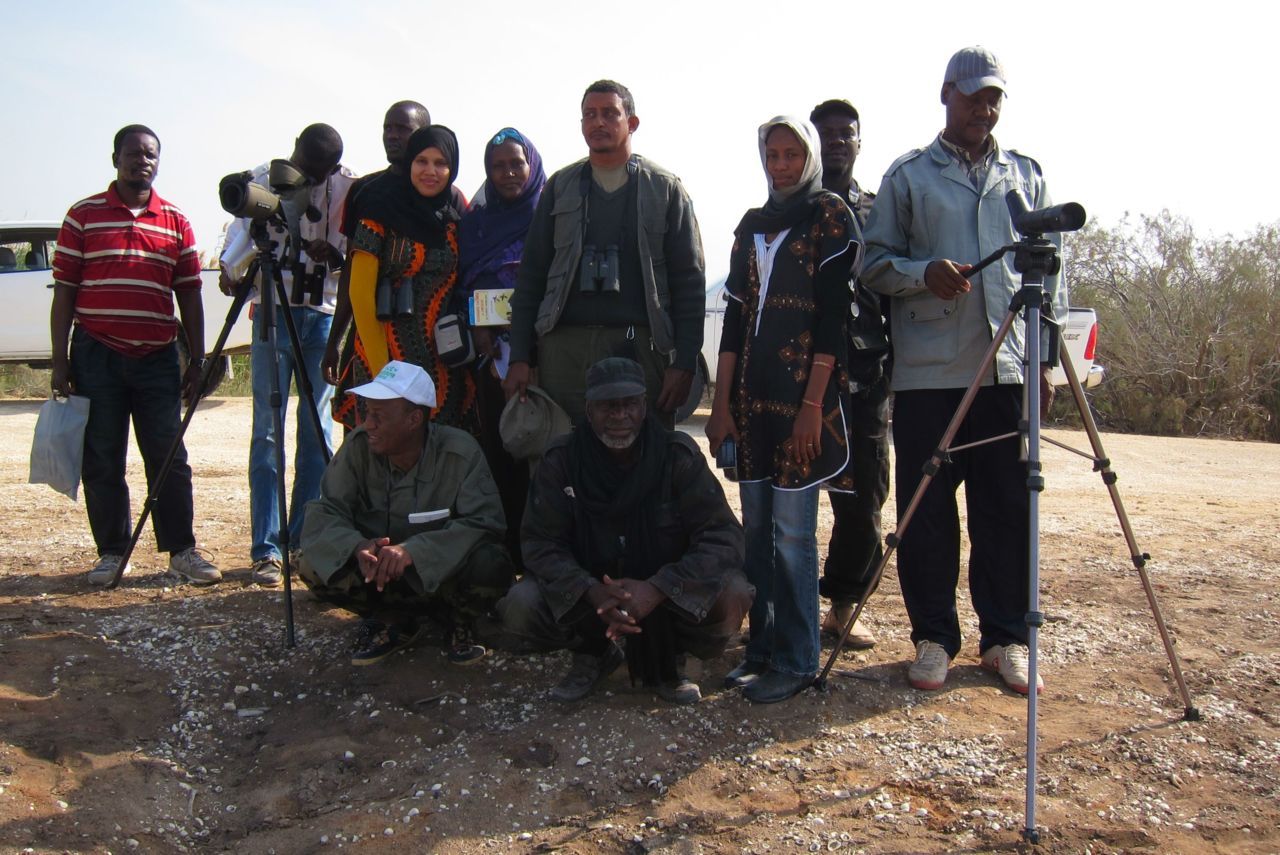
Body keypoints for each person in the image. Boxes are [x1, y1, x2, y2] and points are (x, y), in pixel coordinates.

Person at [861, 47, 1067, 695]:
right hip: (929, 375)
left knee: (1005, 508)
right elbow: (873, 264)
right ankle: (932, 640)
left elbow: (1050, 276)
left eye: (995, 97)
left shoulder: (1025, 175)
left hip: (1004, 372)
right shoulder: (908, 177)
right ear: (945, 94)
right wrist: (924, 273)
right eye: (975, 95)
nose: (986, 107)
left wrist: (1045, 362)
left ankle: (1005, 638)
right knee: (927, 515)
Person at [705, 117, 861, 704]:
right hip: (752, 404)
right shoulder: (752, 227)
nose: (782, 164)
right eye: (772, 154)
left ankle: (798, 660)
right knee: (759, 535)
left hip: (801, 404)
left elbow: (831, 320)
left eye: (793, 153)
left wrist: (813, 408)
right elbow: (735, 323)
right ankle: (763, 650)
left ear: (809, 158)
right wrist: (720, 407)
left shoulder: (829, 218)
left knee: (794, 537)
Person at [495, 357, 753, 704]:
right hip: (592, 599)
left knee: (734, 594)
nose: (619, 416)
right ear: (588, 410)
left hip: (666, 598)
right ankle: (595, 652)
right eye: (607, 406)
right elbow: (540, 543)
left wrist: (659, 588)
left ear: (644, 407)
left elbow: (724, 538)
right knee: (521, 604)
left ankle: (670, 657)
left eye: (629, 404)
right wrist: (591, 591)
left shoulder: (676, 457)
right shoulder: (562, 460)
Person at [50, 124, 221, 586]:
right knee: (103, 456)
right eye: (132, 153)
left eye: (150, 155)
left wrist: (199, 361)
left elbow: (189, 296)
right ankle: (111, 554)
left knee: (168, 455)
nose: (141, 161)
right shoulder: (82, 216)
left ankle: (181, 551)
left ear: (158, 162)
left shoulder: (176, 221)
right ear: (115, 159)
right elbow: (64, 291)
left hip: (158, 358)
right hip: (96, 355)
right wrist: (60, 360)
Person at [504, 80, 705, 428]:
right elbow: (532, 277)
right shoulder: (560, 186)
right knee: (561, 459)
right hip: (563, 352)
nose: (598, 123)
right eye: (589, 115)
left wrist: (684, 362)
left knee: (641, 460)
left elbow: (690, 283)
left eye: (610, 113)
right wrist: (521, 356)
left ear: (632, 122)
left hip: (639, 347)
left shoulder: (665, 189)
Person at [299, 360, 514, 665]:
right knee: (311, 563)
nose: (368, 424)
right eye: (368, 413)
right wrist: (357, 546)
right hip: (379, 578)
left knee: (492, 564)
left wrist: (415, 552)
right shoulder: (358, 448)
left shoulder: (459, 453)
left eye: (378, 416)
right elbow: (327, 511)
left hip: (443, 579)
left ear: (414, 420)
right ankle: (392, 618)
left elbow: (486, 523)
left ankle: (458, 620)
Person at [219, 123, 355, 587]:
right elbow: (234, 250)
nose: (307, 176)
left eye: (318, 171)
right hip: (273, 312)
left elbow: (353, 258)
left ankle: (303, 540)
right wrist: (230, 270)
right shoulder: (262, 178)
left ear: (332, 168)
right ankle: (268, 549)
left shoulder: (348, 188)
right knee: (267, 433)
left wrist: (331, 256)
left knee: (316, 432)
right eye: (303, 163)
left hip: (321, 315)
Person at [333, 125, 478, 434]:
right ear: (410, 162)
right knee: (386, 447)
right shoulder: (379, 210)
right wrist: (384, 370)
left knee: (437, 452)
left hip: (442, 360)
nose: (431, 171)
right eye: (422, 161)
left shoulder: (454, 218)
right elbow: (360, 293)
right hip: (384, 351)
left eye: (441, 163)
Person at [809, 98, 889, 650]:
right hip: (802, 372)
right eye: (828, 134)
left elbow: (892, 287)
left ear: (859, 141)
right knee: (793, 491)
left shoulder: (881, 210)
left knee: (865, 495)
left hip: (866, 371)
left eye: (846, 133)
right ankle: (782, 605)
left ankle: (842, 607)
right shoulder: (794, 205)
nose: (837, 141)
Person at [457, 127, 548, 564]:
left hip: (544, 354)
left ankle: (545, 553)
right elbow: (464, 284)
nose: (509, 173)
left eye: (517, 163)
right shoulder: (475, 226)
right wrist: (477, 326)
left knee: (544, 450)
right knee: (499, 447)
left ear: (531, 165)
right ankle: (507, 551)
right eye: (498, 166)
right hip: (490, 358)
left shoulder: (552, 215)